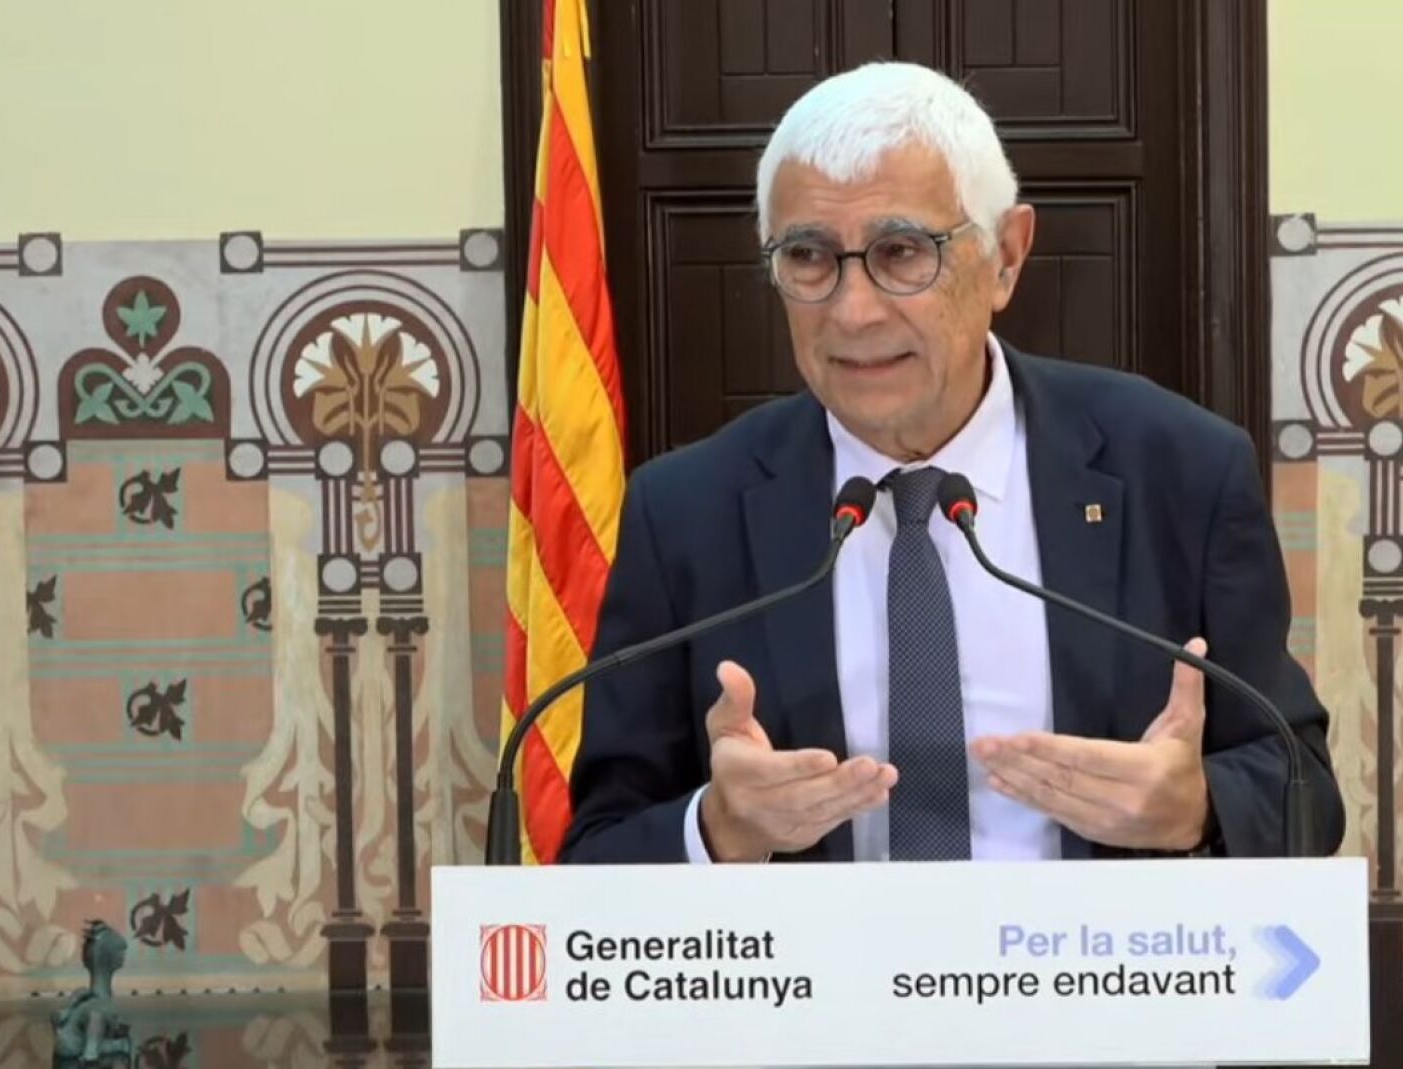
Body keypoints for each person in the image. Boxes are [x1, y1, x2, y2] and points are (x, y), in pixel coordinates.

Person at [559, 61, 1343, 865]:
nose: (853, 311)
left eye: (903, 251)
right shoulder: (686, 511)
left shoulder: (1179, 470)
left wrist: (1198, 807)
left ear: (1006, 256)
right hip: (817, 953)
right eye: (808, 255)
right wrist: (717, 830)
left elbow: (1303, 789)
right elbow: (595, 848)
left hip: (1094, 948)